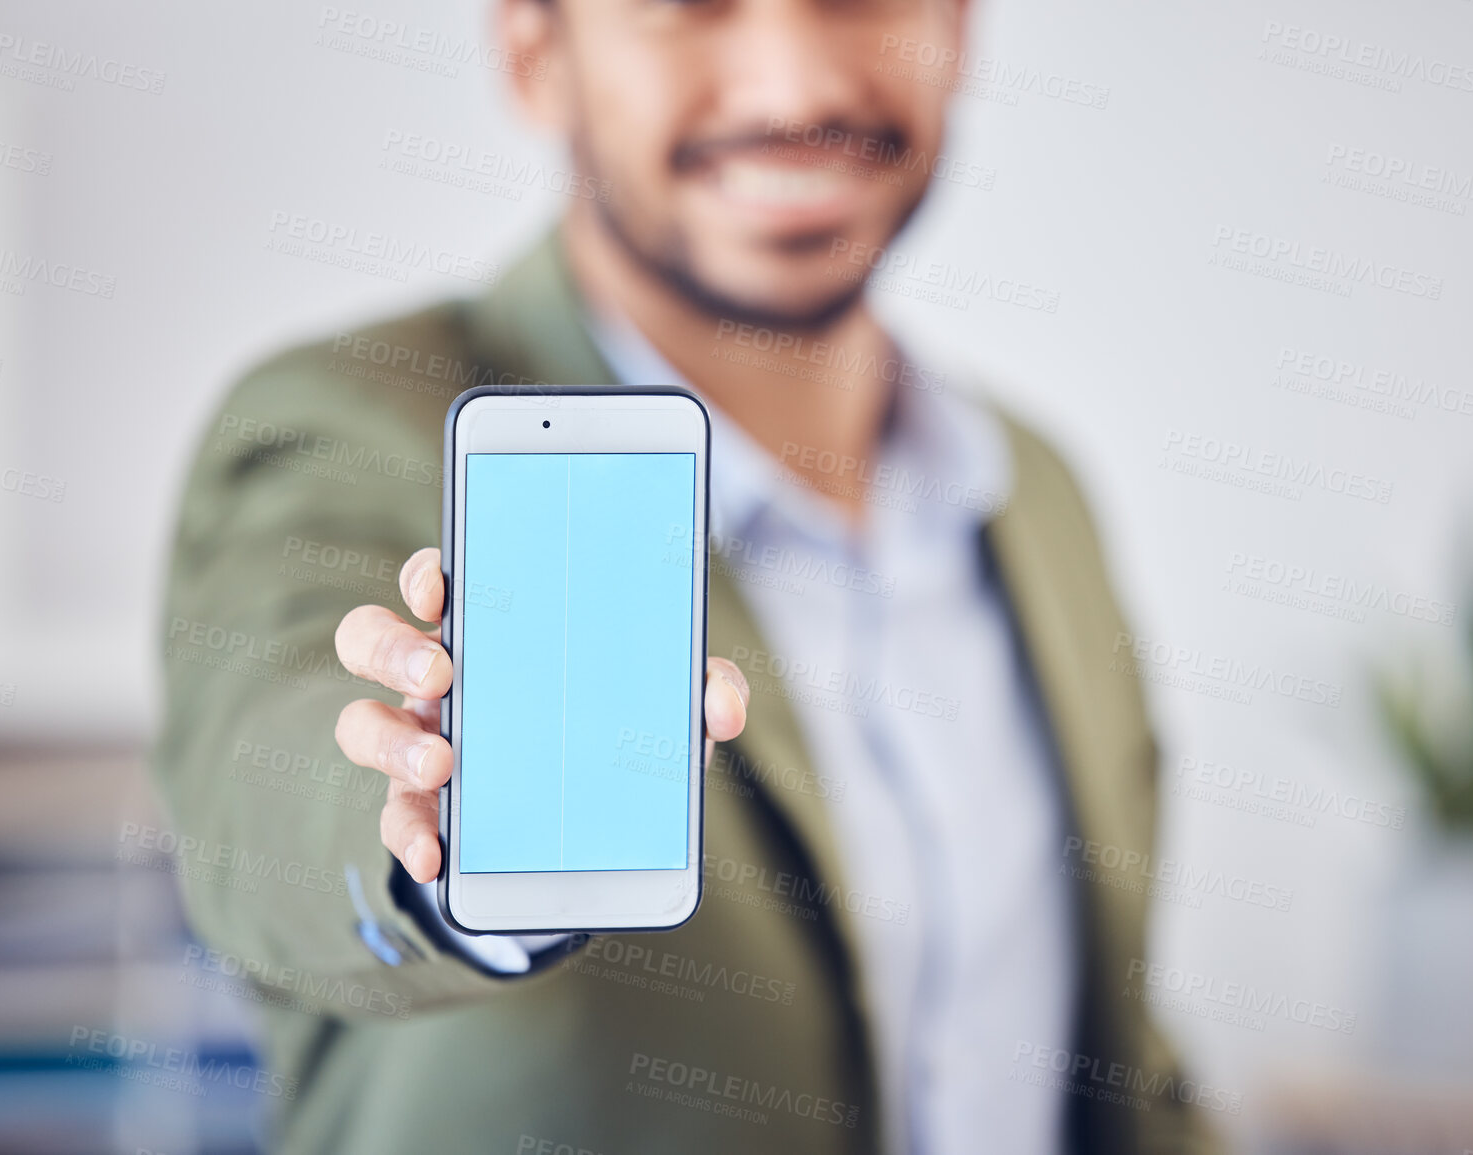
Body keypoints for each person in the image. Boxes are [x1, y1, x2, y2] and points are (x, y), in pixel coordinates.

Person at [154, 0, 1216, 1151]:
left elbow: (1117, 1065)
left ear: (957, 30)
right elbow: (273, 789)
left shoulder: (1034, 492)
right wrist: (418, 828)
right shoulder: (344, 429)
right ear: (534, 57)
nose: (792, 87)